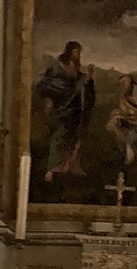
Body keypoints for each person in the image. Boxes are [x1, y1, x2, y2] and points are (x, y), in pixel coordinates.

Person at [36, 41, 97, 180]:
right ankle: (52, 167)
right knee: (59, 135)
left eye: (79, 52)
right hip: (61, 107)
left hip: (75, 109)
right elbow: (47, 84)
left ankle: (71, 165)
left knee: (75, 136)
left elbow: (80, 85)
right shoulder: (58, 67)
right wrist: (48, 100)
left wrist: (87, 78)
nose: (78, 55)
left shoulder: (76, 69)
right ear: (69, 51)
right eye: (76, 51)